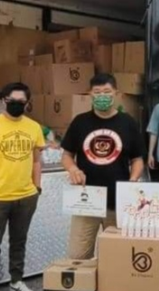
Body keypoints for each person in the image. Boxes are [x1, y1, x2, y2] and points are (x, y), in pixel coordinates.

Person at [0, 82, 45, 291]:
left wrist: (37, 187)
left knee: (19, 241)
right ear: (3, 100)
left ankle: (17, 281)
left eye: (21, 102)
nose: (16, 105)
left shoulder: (34, 127)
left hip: (26, 195)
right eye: (11, 101)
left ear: (27, 103)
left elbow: (36, 160)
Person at [62, 73, 146, 259]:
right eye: (97, 92)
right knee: (78, 255)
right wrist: (73, 169)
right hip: (86, 199)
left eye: (107, 92)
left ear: (116, 93)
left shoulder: (128, 123)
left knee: (118, 256)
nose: (102, 96)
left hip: (118, 201)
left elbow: (137, 159)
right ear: (90, 94)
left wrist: (133, 180)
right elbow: (67, 155)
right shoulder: (80, 122)